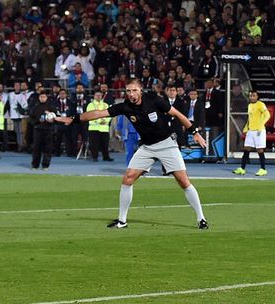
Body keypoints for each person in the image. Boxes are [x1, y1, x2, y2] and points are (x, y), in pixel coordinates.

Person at [76, 79, 209, 229]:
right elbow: (99, 113)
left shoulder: (154, 100)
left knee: (183, 181)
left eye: (134, 90)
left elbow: (177, 114)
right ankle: (122, 220)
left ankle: (201, 219)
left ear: (141, 90)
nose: (131, 94)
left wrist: (194, 132)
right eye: (128, 91)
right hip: (147, 147)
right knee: (128, 178)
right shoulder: (125, 106)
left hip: (167, 144)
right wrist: (75, 119)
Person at [29, 90, 70, 170]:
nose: (42, 98)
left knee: (48, 148)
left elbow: (57, 117)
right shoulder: (35, 107)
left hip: (48, 130)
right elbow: (31, 119)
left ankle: (45, 165)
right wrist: (37, 121)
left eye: (44, 97)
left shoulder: (51, 107)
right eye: (41, 97)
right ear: (39, 98)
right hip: (38, 130)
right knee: (36, 148)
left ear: (46, 98)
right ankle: (35, 165)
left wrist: (53, 120)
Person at [234, 90, 271, 176]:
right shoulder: (250, 105)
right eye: (250, 96)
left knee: (259, 149)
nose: (252, 97)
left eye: (254, 96)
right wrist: (246, 127)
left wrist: (261, 124)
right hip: (251, 130)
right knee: (246, 149)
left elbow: (267, 115)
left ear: (257, 97)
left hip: (259, 131)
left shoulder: (261, 104)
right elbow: (250, 118)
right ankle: (242, 168)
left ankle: (263, 169)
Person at [86, 91, 112, 161]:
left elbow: (110, 114)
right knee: (94, 144)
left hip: (104, 128)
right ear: (94, 96)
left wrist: (106, 121)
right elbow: (90, 115)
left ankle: (106, 157)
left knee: (105, 144)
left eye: (99, 95)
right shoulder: (91, 105)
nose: (98, 96)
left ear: (102, 96)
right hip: (94, 127)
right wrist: (100, 121)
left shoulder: (106, 105)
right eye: (96, 95)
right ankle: (95, 157)